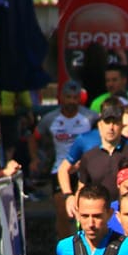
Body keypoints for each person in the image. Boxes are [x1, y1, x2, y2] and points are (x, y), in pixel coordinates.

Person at [37, 81, 98, 238]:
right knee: (61, 209)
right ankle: (65, 244)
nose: (71, 101)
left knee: (85, 206)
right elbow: (34, 136)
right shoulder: (50, 118)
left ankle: (85, 240)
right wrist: (34, 158)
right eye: (68, 97)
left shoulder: (90, 117)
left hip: (84, 168)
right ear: (61, 97)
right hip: (60, 168)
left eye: (75, 97)